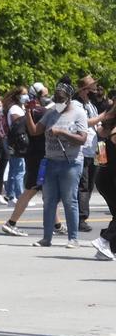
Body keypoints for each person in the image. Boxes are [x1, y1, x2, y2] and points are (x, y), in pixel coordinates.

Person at [28, 81, 89, 248]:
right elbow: (34, 131)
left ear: (69, 99)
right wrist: (28, 111)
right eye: (56, 98)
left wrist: (62, 132)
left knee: (70, 201)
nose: (58, 101)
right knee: (49, 200)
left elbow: (82, 139)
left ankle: (73, 239)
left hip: (71, 163)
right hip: (51, 161)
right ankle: (46, 238)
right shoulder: (51, 112)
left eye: (61, 99)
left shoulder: (79, 113)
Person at [2, 82, 51, 237]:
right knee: (33, 189)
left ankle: (56, 225)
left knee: (47, 192)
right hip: (39, 157)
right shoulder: (38, 112)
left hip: (34, 156)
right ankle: (11, 223)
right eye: (44, 95)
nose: (47, 99)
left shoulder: (30, 111)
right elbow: (33, 131)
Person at [75, 75, 101, 233]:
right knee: (83, 186)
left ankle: (82, 215)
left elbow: (97, 124)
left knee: (91, 184)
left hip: (97, 148)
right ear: (84, 90)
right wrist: (105, 116)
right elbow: (85, 122)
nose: (95, 91)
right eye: (92, 88)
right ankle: (81, 218)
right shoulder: (77, 105)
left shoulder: (91, 105)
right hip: (83, 150)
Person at [93, 104, 115, 260]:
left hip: (104, 175)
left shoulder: (105, 129)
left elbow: (100, 157)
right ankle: (103, 241)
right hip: (110, 178)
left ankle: (107, 249)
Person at [4, 86, 29, 204]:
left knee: (15, 169)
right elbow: (19, 124)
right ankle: (19, 197)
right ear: (18, 95)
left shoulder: (19, 107)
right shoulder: (14, 109)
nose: (26, 96)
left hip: (17, 142)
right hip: (16, 142)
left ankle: (11, 195)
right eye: (24, 94)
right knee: (19, 169)